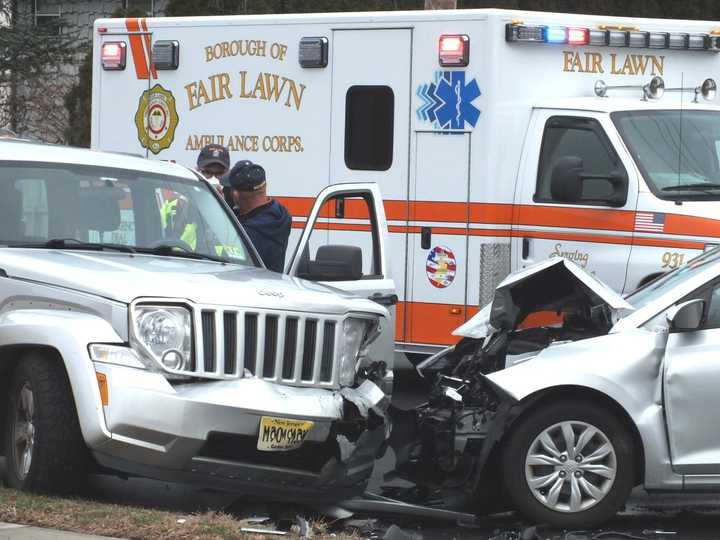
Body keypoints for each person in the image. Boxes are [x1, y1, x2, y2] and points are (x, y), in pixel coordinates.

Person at [226, 161, 291, 273]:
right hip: (270, 284)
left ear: (235, 195)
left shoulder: (247, 234)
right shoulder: (281, 215)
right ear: (264, 186)